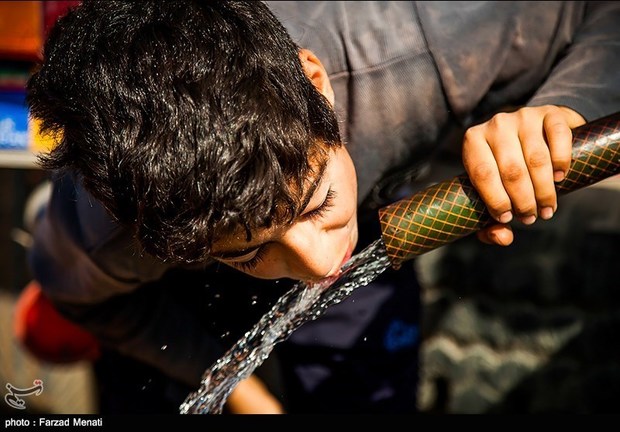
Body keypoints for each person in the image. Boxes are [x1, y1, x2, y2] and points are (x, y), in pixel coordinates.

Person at [24, 0, 620, 414]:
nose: (318, 263)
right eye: (253, 251)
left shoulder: (437, 38)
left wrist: (564, 107)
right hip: (188, 280)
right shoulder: (107, 227)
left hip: (378, 220)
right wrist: (237, 388)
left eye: (316, 204)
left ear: (316, 81)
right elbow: (78, 295)